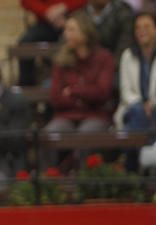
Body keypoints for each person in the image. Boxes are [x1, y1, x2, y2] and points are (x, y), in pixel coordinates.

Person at [43, 12, 115, 167]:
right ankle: (50, 178)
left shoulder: (104, 58)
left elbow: (103, 93)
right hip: (66, 115)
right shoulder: (61, 60)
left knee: (85, 135)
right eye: (66, 30)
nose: (65, 34)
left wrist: (75, 91)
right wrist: (87, 94)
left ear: (85, 33)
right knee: (49, 134)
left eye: (71, 30)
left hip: (95, 115)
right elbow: (55, 98)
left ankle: (82, 181)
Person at [115, 12, 156, 130]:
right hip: (132, 107)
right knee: (137, 113)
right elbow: (125, 91)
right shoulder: (127, 56)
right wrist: (142, 105)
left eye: (146, 26)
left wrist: (153, 103)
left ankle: (135, 147)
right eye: (138, 27)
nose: (141, 31)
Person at [16, 0, 89, 86]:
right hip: (45, 21)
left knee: (81, 38)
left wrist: (64, 7)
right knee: (25, 43)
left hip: (74, 19)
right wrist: (47, 12)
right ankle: (26, 88)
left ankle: (83, 82)